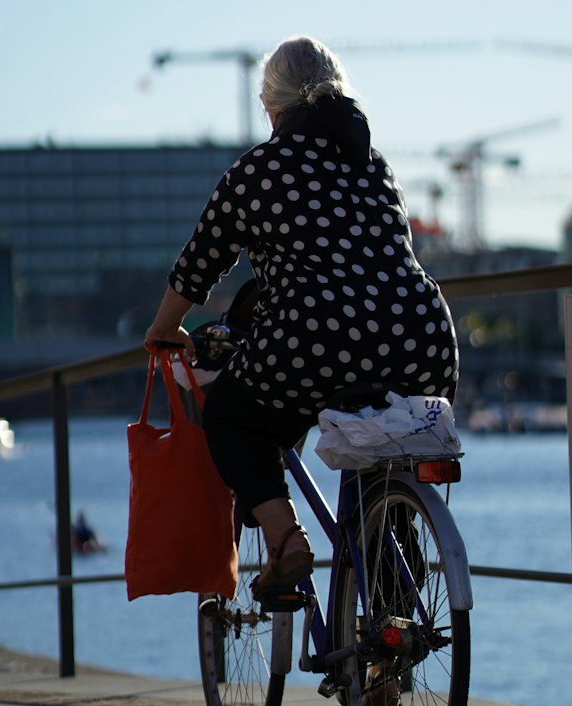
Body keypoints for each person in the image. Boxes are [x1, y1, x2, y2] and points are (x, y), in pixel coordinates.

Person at [144, 35, 459, 601]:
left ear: (272, 105)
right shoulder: (374, 165)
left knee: (237, 421)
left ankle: (287, 538)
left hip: (317, 337)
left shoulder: (259, 169)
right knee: (384, 469)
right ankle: (391, 631)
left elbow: (199, 264)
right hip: (423, 338)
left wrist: (164, 329)